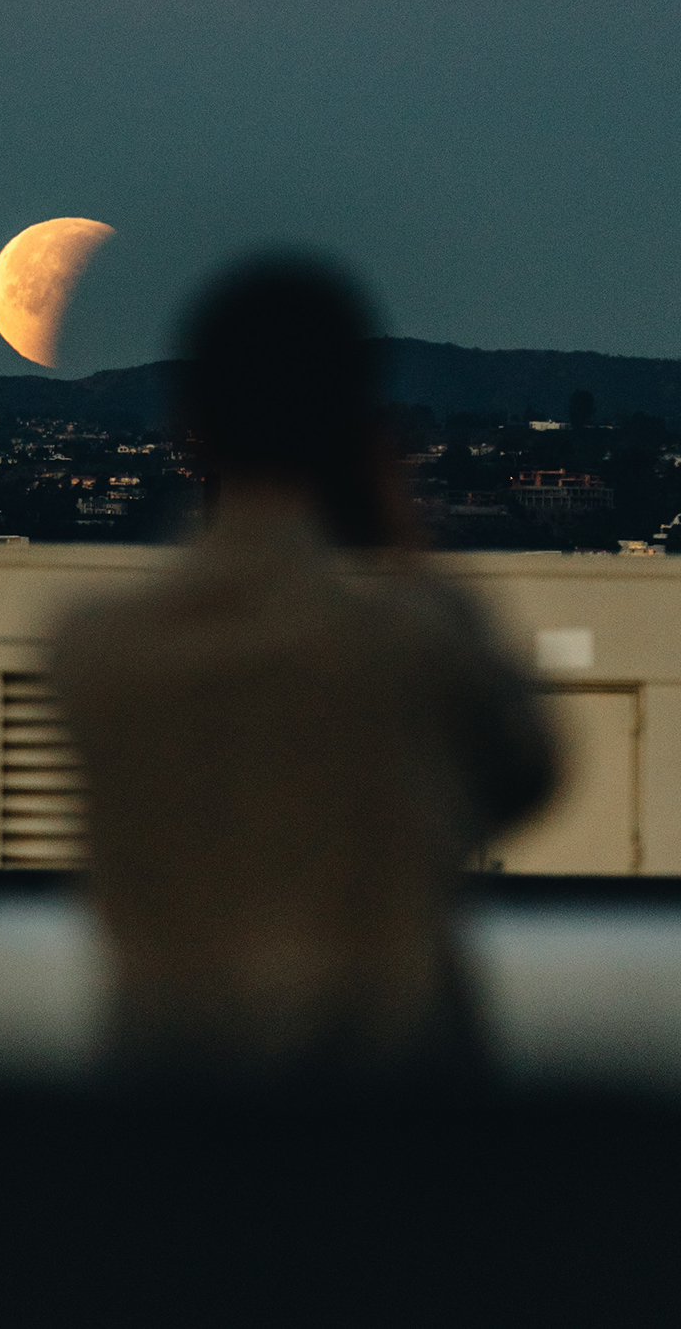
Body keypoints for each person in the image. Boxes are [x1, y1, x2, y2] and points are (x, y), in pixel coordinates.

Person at [50, 256, 559, 1080]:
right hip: (387, 1118)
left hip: (168, 1117)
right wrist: (412, 549)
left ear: (192, 426)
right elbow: (526, 776)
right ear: (353, 430)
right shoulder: (410, 644)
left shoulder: (94, 651)